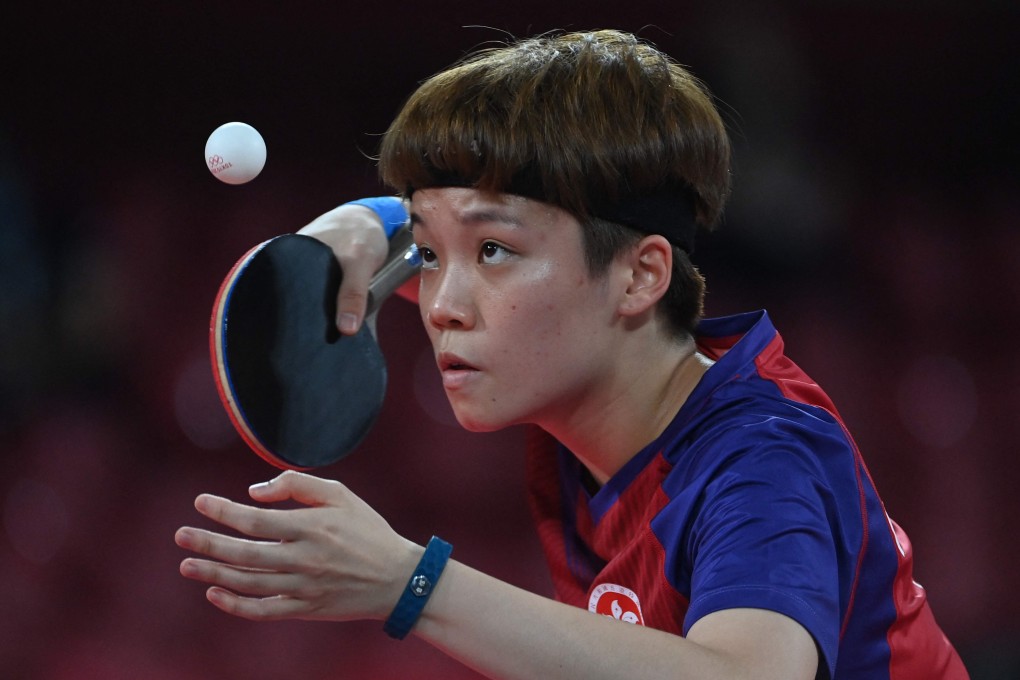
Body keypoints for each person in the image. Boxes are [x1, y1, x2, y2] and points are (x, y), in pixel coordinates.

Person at [175, 29, 968, 679]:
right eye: (426, 254)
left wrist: (409, 584)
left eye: (490, 252)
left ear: (640, 275)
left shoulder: (761, 456)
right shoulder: (601, 417)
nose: (441, 306)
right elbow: (495, 241)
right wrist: (367, 222)